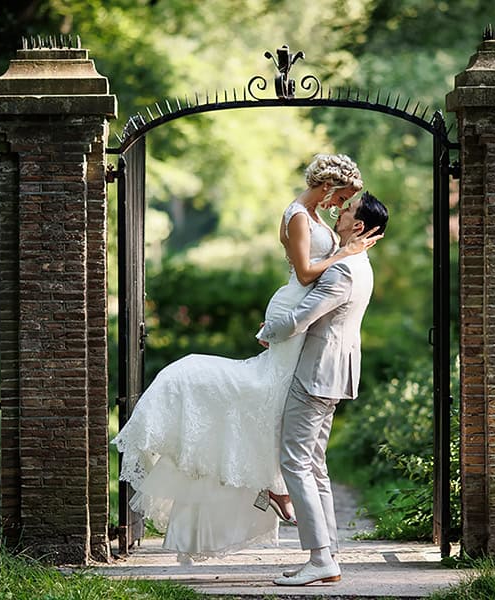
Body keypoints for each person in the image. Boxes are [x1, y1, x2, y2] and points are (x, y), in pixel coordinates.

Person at [112, 154, 382, 562]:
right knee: (271, 399)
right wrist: (343, 255)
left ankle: (284, 498)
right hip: (297, 311)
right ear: (329, 186)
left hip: (304, 324)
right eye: (343, 196)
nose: (341, 204)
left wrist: (346, 252)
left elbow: (322, 279)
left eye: (347, 203)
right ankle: (276, 488)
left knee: (275, 404)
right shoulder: (297, 216)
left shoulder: (319, 219)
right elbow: (307, 274)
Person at [257, 192, 389, 586]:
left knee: (294, 463)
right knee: (314, 465)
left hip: (316, 375)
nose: (338, 212)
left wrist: (267, 331)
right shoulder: (361, 265)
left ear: (359, 227)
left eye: (346, 210)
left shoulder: (342, 270)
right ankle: (328, 552)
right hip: (334, 375)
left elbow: (301, 317)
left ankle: (319, 558)